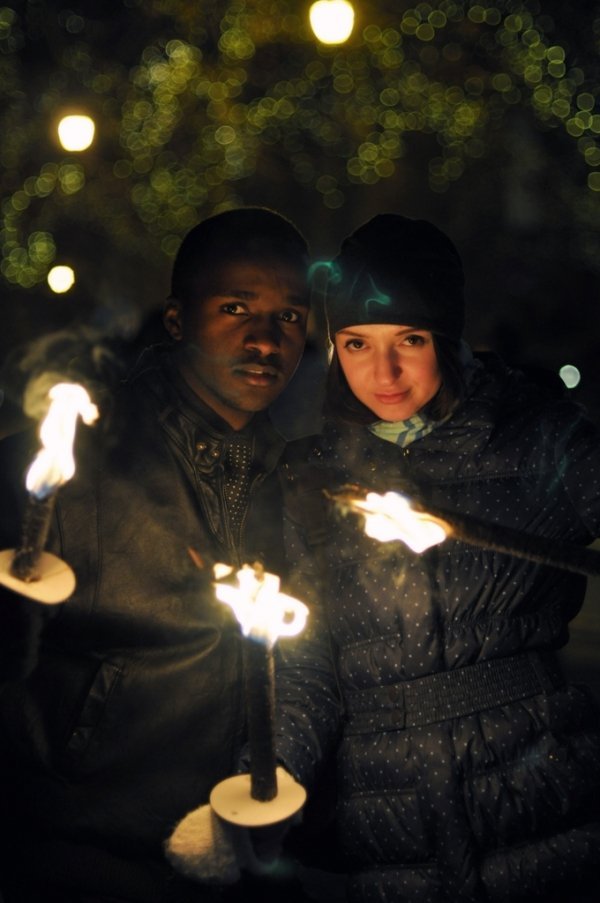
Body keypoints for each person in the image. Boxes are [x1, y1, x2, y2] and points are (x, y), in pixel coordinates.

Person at [272, 214, 600, 902]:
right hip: (390, 825)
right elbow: (306, 670)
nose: (382, 372)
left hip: (541, 797)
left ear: (446, 338)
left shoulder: (535, 438)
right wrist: (271, 779)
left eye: (410, 340)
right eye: (356, 343)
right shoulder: (314, 478)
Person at [0, 206, 312, 903]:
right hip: (79, 853)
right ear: (176, 319)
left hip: (234, 857)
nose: (265, 339)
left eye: (289, 317)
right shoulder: (73, 461)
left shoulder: (298, 481)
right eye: (236, 308)